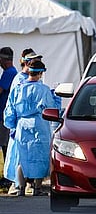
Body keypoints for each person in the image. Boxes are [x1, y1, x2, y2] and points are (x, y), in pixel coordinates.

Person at [4, 60, 57, 197]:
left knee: (22, 156)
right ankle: (37, 188)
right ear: (40, 73)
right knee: (41, 156)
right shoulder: (44, 90)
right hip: (40, 125)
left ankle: (21, 188)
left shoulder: (18, 89)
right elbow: (51, 108)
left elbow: (10, 110)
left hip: (22, 125)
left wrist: (11, 126)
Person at [0, 47, 18, 187]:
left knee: (5, 144)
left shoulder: (9, 73)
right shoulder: (13, 72)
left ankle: (8, 176)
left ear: (4, 60)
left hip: (4, 115)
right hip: (6, 115)